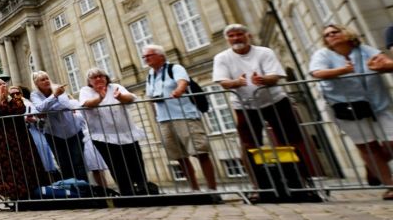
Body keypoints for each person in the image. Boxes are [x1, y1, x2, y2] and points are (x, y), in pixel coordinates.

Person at [213, 23, 318, 185]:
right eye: (232, 36)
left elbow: (275, 76)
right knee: (248, 144)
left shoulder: (264, 52)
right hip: (245, 106)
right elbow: (223, 82)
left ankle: (304, 179)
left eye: (239, 34)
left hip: (275, 101)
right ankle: (258, 185)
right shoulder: (222, 58)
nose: (236, 38)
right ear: (227, 40)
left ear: (248, 36)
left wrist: (263, 79)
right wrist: (237, 82)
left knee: (292, 139)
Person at [309, 24, 393, 198]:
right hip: (345, 106)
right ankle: (390, 185)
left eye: (335, 32)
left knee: (390, 143)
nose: (332, 35)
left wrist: (382, 66)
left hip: (377, 102)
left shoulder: (364, 50)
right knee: (367, 146)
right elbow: (317, 73)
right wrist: (343, 70)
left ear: (347, 33)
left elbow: (386, 63)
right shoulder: (323, 54)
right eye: (327, 35)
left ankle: (372, 166)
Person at [143, 44, 217, 191]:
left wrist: (179, 90)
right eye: (144, 57)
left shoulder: (175, 68)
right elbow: (150, 96)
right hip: (164, 120)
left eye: (149, 56)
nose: (146, 59)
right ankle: (195, 189)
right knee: (179, 157)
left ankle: (213, 189)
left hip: (185, 116)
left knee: (200, 153)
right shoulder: (150, 75)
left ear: (161, 56)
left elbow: (183, 82)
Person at [79, 68, 149, 196]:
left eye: (101, 76)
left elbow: (131, 98)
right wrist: (100, 97)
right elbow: (86, 104)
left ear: (106, 78)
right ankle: (127, 192)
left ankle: (143, 188)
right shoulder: (86, 91)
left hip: (126, 133)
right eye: (94, 77)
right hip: (103, 136)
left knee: (135, 162)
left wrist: (120, 97)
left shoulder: (115, 87)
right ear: (89, 81)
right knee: (117, 165)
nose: (98, 79)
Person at [0, 79, 46, 201]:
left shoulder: (15, 99)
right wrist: (0, 100)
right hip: (2, 143)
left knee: (25, 165)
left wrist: (3, 106)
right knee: (7, 170)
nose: (3, 86)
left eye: (4, 83)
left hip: (20, 139)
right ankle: (14, 196)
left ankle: (32, 194)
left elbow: (20, 109)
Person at [30, 71, 89, 181]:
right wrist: (55, 96)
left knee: (78, 163)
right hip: (54, 134)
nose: (46, 81)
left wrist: (46, 109)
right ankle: (72, 190)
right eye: (42, 80)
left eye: (47, 78)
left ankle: (85, 188)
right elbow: (39, 109)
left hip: (73, 130)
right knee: (64, 165)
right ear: (36, 83)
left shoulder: (58, 88)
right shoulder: (35, 95)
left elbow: (64, 105)